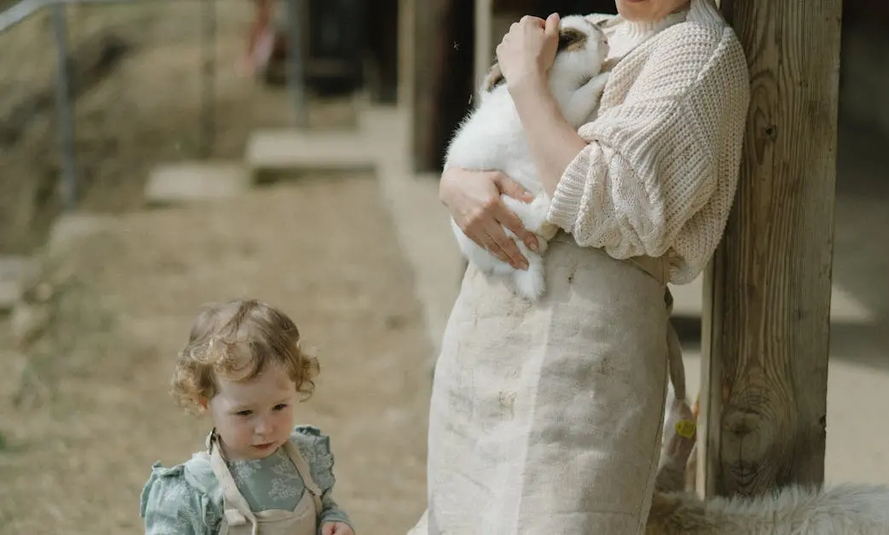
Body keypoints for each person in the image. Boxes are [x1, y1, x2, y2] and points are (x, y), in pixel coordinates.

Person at [409, 0, 750, 532]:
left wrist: (527, 81)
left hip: (584, 360)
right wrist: (455, 181)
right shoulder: (594, 30)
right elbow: (494, 137)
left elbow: (615, 203)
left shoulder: (698, 52)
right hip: (486, 337)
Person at [140, 299, 356, 535]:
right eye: (245, 412)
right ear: (204, 401)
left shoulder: (305, 457)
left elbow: (325, 506)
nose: (265, 428)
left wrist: (334, 521)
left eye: (279, 407)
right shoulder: (195, 491)